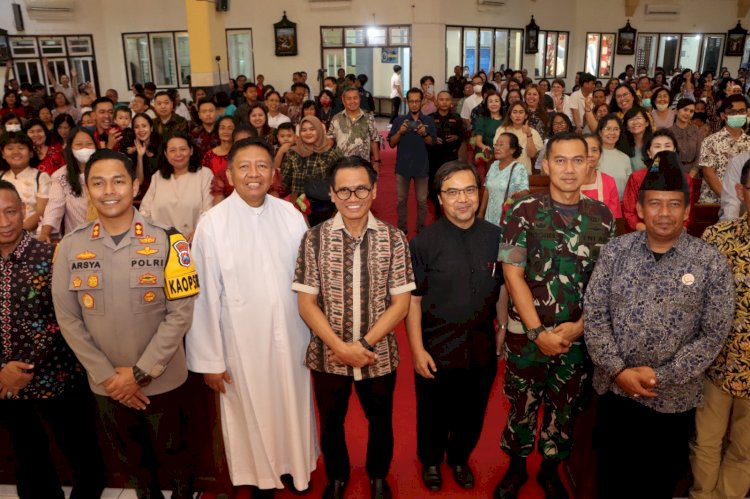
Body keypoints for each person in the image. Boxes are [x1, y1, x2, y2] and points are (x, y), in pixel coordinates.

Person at [584, 151, 734, 499]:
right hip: (615, 393)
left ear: (686, 211)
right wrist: (620, 370)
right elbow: (594, 315)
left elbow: (713, 334)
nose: (663, 213)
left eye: (673, 204)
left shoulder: (710, 262)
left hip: (672, 399)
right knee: (611, 478)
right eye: (655, 203)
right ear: (639, 208)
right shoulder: (614, 252)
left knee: (660, 482)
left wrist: (658, 377)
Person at [51, 149, 200, 499]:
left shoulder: (169, 240)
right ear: (87, 189)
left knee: (178, 462)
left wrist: (139, 373)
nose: (109, 190)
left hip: (164, 379)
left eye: (118, 181)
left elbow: (181, 311)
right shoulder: (70, 247)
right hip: (107, 386)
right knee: (133, 465)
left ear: (135, 185)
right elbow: (68, 319)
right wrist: (108, 376)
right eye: (98, 183)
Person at [187, 137, 318, 498]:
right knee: (251, 407)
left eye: (261, 166)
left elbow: (309, 278)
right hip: (240, 339)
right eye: (244, 167)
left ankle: (296, 467)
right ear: (229, 175)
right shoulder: (212, 224)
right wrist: (210, 360)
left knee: (292, 402)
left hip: (293, 332)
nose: (253, 174)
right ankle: (261, 476)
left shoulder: (290, 214)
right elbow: (203, 297)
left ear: (273, 173)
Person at [494, 133, 615, 499]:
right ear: (545, 165)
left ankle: (550, 472)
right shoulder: (521, 210)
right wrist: (536, 333)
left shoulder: (603, 217)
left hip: (575, 338)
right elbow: (512, 273)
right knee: (521, 405)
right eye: (559, 160)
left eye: (577, 160)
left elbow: (604, 282)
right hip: (527, 335)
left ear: (590, 165)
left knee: (564, 410)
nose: (568, 169)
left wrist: (580, 327)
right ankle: (515, 470)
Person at [293, 156, 415, 499]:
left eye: (361, 188)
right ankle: (337, 478)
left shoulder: (394, 239)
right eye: (344, 190)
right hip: (327, 355)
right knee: (331, 423)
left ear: (374, 190)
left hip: (378, 356)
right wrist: (340, 347)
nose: (353, 196)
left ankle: (378, 477)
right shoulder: (313, 240)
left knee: (381, 421)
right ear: (331, 194)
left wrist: (362, 344)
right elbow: (306, 304)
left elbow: (401, 304)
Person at [0, 179, 106, 499]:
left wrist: (22, 368)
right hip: (6, 386)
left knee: (84, 460)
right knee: (29, 463)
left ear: (24, 211)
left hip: (58, 379)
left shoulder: (51, 256)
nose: (4, 222)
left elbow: (65, 318)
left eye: (10, 212)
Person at [406, 161, 504, 492]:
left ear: (480, 194)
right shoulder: (422, 243)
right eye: (452, 192)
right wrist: (417, 350)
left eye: (469, 190)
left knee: (473, 409)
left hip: (481, 344)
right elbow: (413, 301)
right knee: (433, 411)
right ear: (439, 198)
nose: (462, 199)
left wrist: (502, 326)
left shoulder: (497, 237)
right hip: (437, 344)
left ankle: (459, 458)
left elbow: (504, 286)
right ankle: (431, 460)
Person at [692, 159, 750, 499]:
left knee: (744, 450)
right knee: (705, 443)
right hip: (718, 363)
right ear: (741, 192)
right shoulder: (718, 237)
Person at [139, 131, 214, 241]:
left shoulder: (204, 174)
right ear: (165, 153)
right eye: (172, 150)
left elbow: (209, 211)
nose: (178, 154)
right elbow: (144, 212)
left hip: (194, 242)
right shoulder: (158, 176)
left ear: (191, 150)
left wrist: (199, 231)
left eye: (183, 149)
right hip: (162, 243)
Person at [387, 87, 437, 234]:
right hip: (402, 167)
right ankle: (402, 229)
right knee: (401, 200)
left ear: (421, 102)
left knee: (422, 201)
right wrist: (400, 132)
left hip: (422, 167)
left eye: (417, 101)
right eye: (411, 101)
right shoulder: (399, 120)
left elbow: (432, 143)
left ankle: (421, 229)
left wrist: (424, 133)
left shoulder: (428, 120)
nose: (414, 104)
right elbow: (391, 143)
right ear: (407, 102)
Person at [281, 115, 342, 226]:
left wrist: (338, 209)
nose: (308, 133)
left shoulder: (330, 154)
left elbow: (340, 182)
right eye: (304, 130)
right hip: (295, 205)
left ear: (319, 130)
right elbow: (285, 178)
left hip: (322, 207)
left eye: (312, 129)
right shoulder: (292, 152)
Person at [38, 127, 97, 242]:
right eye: (79, 145)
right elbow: (54, 206)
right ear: (70, 148)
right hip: (77, 239)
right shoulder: (61, 176)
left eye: (89, 144)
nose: (84, 148)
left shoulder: (107, 170)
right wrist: (45, 233)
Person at [698, 94, 750, 205]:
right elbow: (708, 174)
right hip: (714, 203)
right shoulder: (710, 141)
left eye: (741, 111)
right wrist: (729, 201)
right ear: (723, 115)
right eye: (732, 112)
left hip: (746, 204)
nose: (738, 115)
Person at [0, 132, 50, 237]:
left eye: (21, 148)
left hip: (30, 237)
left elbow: (40, 212)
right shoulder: (1, 176)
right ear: (3, 154)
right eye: (10, 148)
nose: (16, 152)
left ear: (31, 153)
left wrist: (16, 234)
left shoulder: (41, 177)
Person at [479, 132, 529, 225]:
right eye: (496, 144)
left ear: (512, 150)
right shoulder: (493, 165)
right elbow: (487, 190)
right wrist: (481, 212)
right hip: (489, 219)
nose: (497, 148)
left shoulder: (519, 168)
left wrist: (517, 194)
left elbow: (525, 192)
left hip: (506, 220)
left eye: (501, 145)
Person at [429, 90, 466, 216]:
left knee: (451, 186)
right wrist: (433, 140)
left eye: (447, 100)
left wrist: (457, 137)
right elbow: (424, 137)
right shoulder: (430, 118)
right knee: (434, 186)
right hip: (434, 158)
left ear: (451, 102)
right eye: (441, 100)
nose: (444, 102)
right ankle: (438, 213)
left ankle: (451, 212)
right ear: (437, 102)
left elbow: (463, 135)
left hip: (451, 158)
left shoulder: (456, 118)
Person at [327, 87, 381, 170]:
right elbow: (330, 140)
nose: (352, 101)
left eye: (355, 98)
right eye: (349, 99)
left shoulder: (369, 117)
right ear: (343, 101)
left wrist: (377, 161)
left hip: (363, 165)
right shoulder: (336, 118)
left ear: (360, 99)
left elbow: (374, 140)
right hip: (341, 165)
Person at [492, 102, 543, 175]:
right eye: (514, 112)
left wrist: (529, 135)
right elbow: (498, 152)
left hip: (524, 172)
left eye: (521, 112)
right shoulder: (502, 130)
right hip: (504, 172)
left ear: (526, 116)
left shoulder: (532, 132)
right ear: (510, 115)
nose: (518, 115)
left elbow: (531, 154)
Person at [581, 133, 621, 218]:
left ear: (600, 154)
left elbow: (615, 217)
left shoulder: (609, 181)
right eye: (585, 150)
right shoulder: (568, 180)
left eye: (594, 150)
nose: (590, 154)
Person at [597, 113, 632, 198]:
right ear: (600, 132)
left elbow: (628, 187)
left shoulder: (625, 158)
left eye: (616, 129)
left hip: (620, 206)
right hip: (598, 205)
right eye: (608, 129)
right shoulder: (593, 156)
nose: (612, 132)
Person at [669, 98, 703, 177]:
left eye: (691, 111)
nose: (688, 113)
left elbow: (700, 155)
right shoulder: (669, 132)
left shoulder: (696, 130)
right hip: (673, 173)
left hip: (694, 173)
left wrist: (692, 173)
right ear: (676, 111)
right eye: (685, 110)